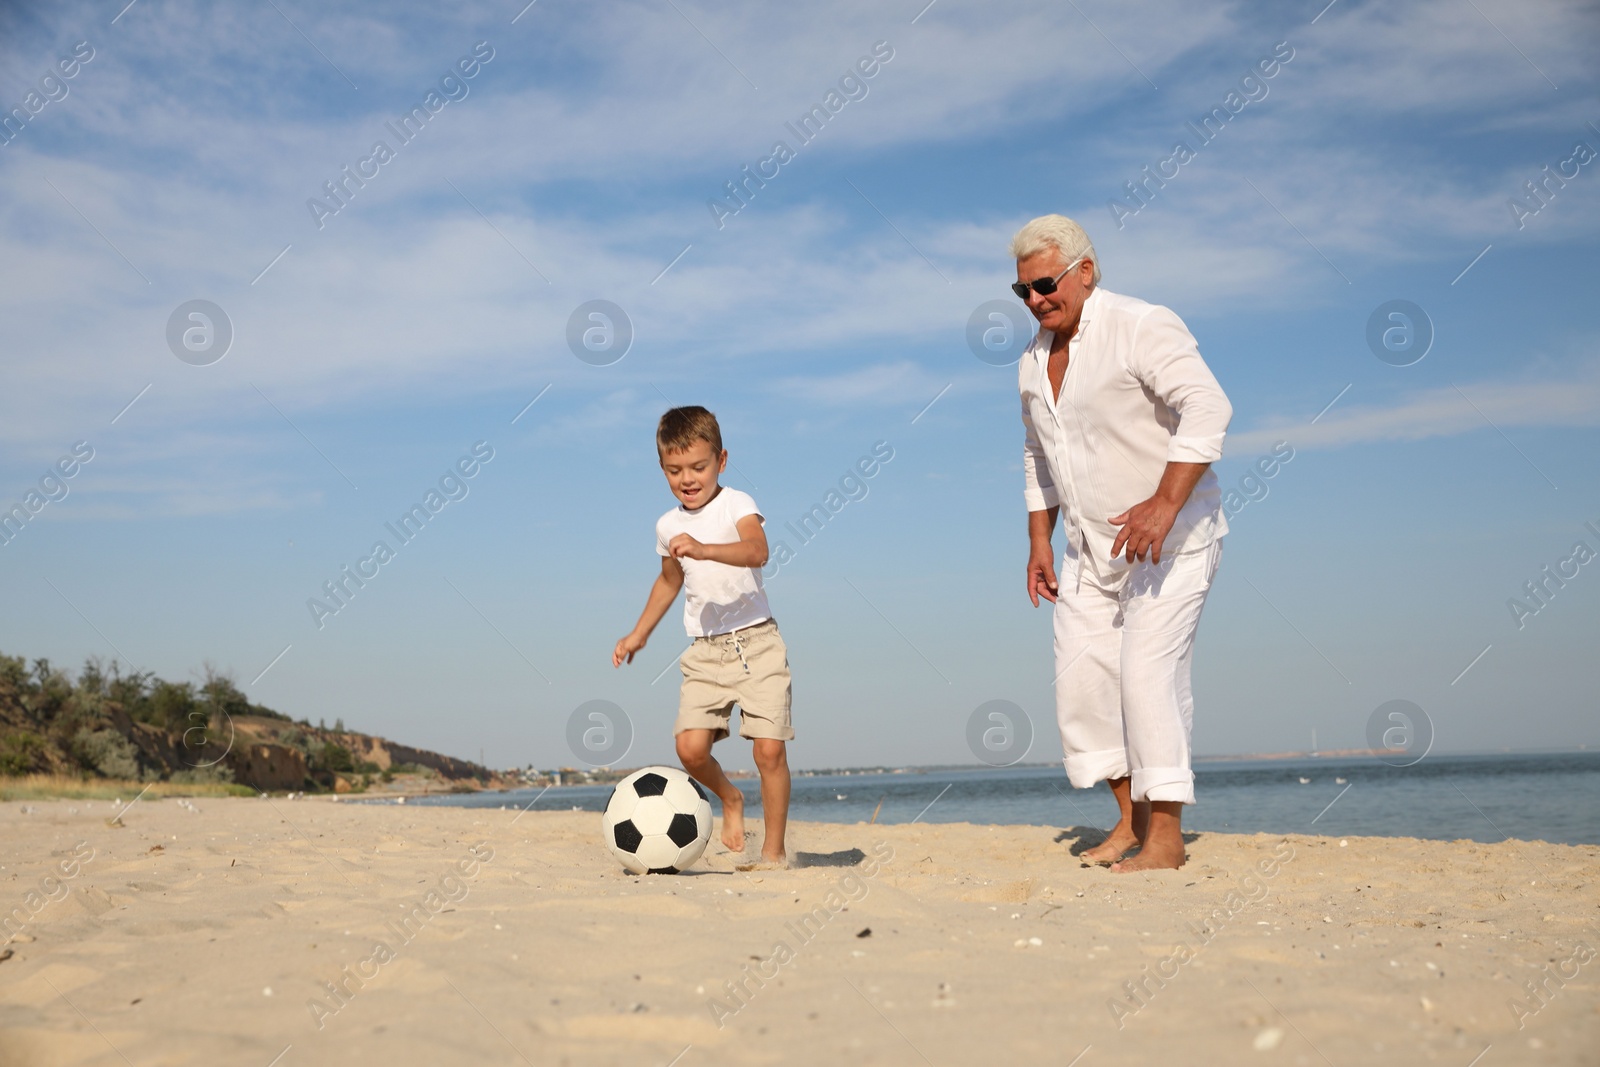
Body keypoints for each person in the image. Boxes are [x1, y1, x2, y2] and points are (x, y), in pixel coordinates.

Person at [1013, 215, 1232, 873]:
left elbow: (1209, 407)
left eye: (1045, 283)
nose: (1035, 299)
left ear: (1085, 270)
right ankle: (1130, 819)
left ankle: (1165, 839)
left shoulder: (1141, 323)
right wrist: (1039, 540)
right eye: (1021, 290)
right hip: (1088, 550)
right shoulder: (1030, 360)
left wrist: (1166, 503)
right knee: (1082, 686)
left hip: (1175, 541)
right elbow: (1037, 451)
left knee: (1147, 677)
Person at [613, 406, 793, 867]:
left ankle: (773, 853)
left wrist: (704, 548)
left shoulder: (737, 504)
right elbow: (669, 581)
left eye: (699, 466)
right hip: (706, 652)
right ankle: (731, 799)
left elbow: (758, 551)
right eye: (675, 470)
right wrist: (638, 633)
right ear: (662, 469)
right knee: (690, 749)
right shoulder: (667, 526)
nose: (688, 479)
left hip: (757, 645)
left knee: (768, 750)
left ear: (721, 460)